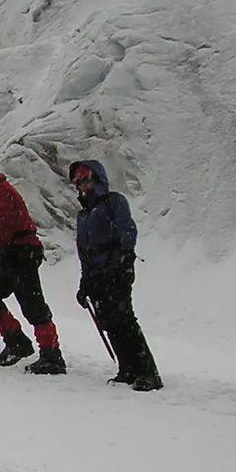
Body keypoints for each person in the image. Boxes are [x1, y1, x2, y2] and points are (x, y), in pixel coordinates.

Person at [68, 159, 162, 391]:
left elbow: (127, 230)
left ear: (97, 177)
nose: (83, 184)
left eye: (86, 178)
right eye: (78, 181)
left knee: (123, 319)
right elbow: (84, 250)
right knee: (109, 321)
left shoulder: (114, 202)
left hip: (116, 269)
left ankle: (148, 372)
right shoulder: (83, 215)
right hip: (98, 272)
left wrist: (123, 260)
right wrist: (85, 281)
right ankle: (127, 368)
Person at [0, 168, 64, 374]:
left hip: (20, 253)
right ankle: (20, 343)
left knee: (30, 304)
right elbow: (6, 225)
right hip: (14, 253)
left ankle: (50, 354)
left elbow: (4, 224)